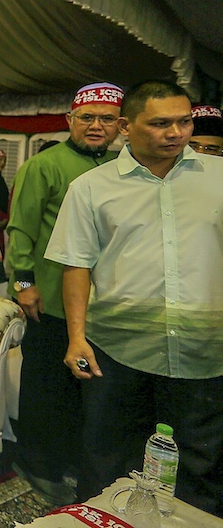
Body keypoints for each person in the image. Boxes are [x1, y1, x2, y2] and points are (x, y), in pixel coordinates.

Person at [46, 80, 223, 515]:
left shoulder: (218, 177)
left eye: (184, 122)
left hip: (206, 349)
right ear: (127, 126)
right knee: (107, 458)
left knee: (204, 465)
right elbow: (77, 266)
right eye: (161, 123)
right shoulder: (91, 188)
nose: (176, 133)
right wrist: (76, 336)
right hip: (118, 349)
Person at [5, 82, 122, 505]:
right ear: (69, 121)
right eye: (86, 117)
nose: (96, 126)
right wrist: (23, 286)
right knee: (46, 389)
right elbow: (18, 231)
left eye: (106, 119)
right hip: (48, 302)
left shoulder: (121, 167)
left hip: (98, 305)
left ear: (120, 125)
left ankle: (71, 459)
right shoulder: (45, 166)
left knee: (86, 393)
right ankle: (36, 463)